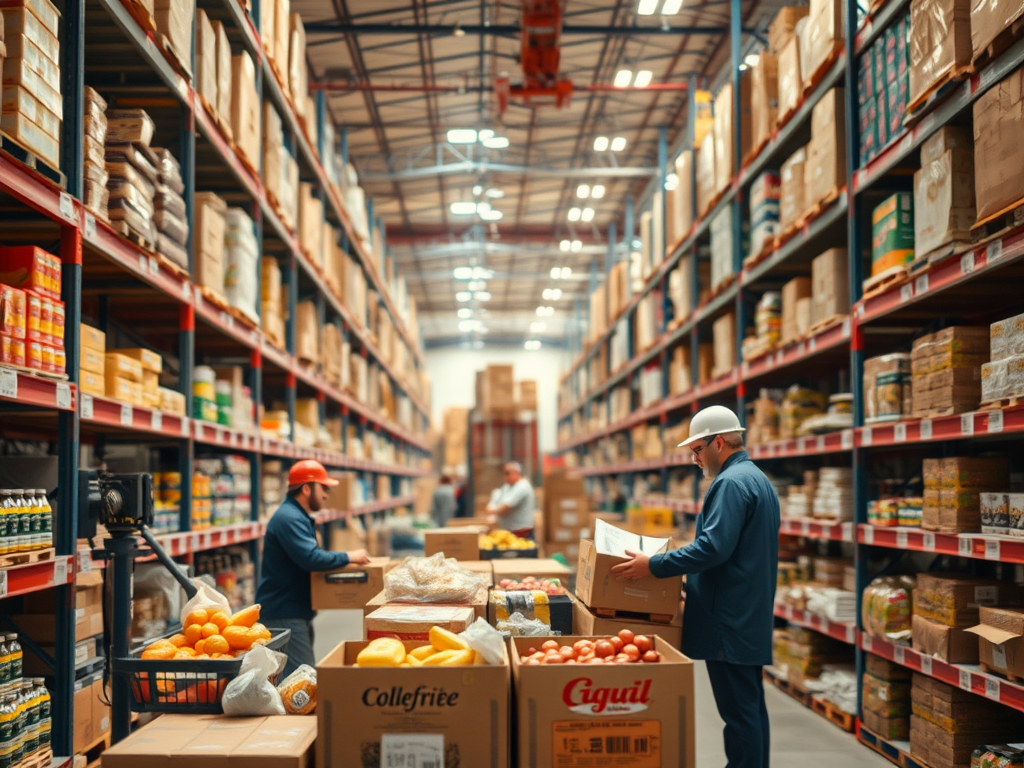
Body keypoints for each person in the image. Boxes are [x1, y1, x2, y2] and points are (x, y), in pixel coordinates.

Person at [611, 405, 780, 768]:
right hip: (745, 613)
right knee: (749, 710)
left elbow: (713, 547)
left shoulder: (731, 484)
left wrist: (653, 566)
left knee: (738, 715)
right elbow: (734, 552)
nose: (694, 459)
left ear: (718, 443)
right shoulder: (756, 479)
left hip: (728, 621)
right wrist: (692, 583)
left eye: (697, 450)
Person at [256, 459, 370, 675]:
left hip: (295, 610)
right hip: (284, 612)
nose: (326, 494)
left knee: (296, 679)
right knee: (304, 680)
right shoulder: (289, 518)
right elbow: (311, 558)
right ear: (307, 488)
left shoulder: (296, 516)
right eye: (323, 487)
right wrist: (348, 556)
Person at [485, 461, 536, 538]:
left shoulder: (522, 486)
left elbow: (503, 509)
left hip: (521, 533)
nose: (505, 476)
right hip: (508, 532)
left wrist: (495, 510)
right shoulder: (506, 487)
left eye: (508, 473)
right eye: (504, 473)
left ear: (516, 473)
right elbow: (491, 506)